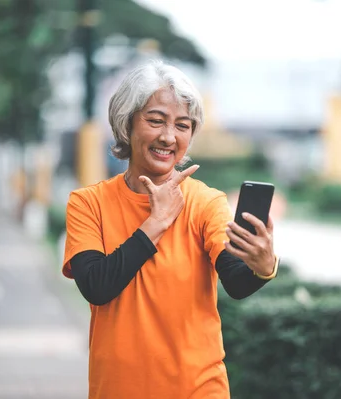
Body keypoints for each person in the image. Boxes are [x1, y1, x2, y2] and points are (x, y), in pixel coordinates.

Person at [62, 60, 279, 399]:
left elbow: (235, 280)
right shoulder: (88, 203)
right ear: (126, 123)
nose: (168, 136)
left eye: (182, 125)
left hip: (198, 389)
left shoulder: (206, 202)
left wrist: (261, 268)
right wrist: (155, 223)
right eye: (155, 120)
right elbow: (97, 287)